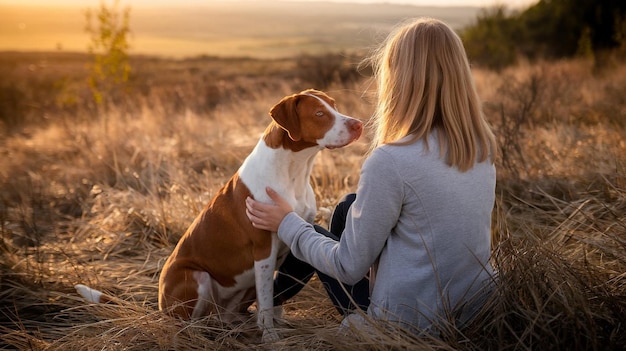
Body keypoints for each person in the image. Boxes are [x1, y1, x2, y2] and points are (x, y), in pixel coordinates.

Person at [245, 17, 497, 335]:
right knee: (347, 208)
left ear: (398, 81)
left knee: (311, 233)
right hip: (474, 313)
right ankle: (272, 296)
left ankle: (261, 304)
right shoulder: (481, 148)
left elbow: (346, 268)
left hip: (404, 326)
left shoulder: (392, 160)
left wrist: (287, 223)